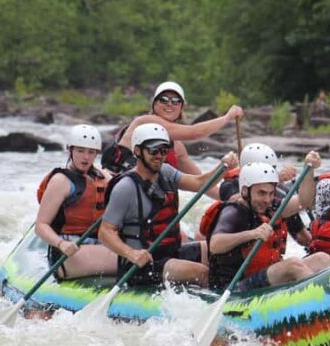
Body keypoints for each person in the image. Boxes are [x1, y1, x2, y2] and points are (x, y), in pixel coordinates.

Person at [98, 123, 237, 287]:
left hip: (171, 252)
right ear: (137, 151)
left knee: (218, 252)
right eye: (153, 150)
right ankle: (221, 304)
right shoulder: (126, 187)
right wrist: (132, 254)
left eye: (164, 150)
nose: (159, 156)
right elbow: (105, 232)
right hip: (142, 265)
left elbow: (199, 183)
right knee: (200, 272)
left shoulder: (166, 172)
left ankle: (233, 290)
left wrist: (222, 167)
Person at [202, 159, 330, 292]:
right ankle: (324, 299)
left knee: (322, 258)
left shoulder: (270, 206)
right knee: (293, 265)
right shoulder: (233, 212)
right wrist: (252, 234)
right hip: (234, 289)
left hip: (262, 277)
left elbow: (303, 202)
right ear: (245, 191)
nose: (267, 200)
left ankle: (328, 295)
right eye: (261, 193)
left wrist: (309, 171)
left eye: (271, 193)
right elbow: (215, 245)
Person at [112, 81, 243, 198]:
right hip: (122, 195)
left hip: (150, 208)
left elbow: (202, 184)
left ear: (181, 107)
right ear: (154, 105)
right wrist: (227, 117)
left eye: (175, 101)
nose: (169, 104)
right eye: (163, 99)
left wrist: (233, 198)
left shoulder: (178, 148)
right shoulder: (145, 122)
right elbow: (194, 133)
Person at [36, 124, 118, 279]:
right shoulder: (61, 181)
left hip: (100, 245)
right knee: (130, 260)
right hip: (68, 251)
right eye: (80, 151)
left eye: (91, 152)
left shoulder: (103, 177)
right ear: (71, 150)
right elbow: (41, 226)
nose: (86, 157)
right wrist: (61, 244)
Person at [218, 143, 311, 246]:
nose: (269, 173)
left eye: (272, 169)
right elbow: (236, 202)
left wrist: (308, 172)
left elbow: (302, 235)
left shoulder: (280, 193)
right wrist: (276, 180)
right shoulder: (230, 186)